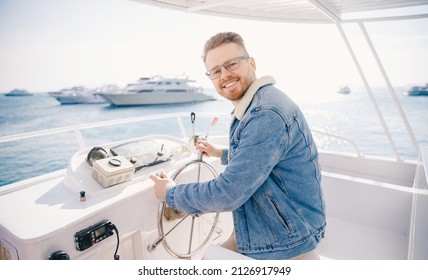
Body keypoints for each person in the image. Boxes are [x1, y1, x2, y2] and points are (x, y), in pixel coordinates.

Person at [150, 31, 326, 260]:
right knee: (209, 257)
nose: (224, 74)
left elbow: (227, 194)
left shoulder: (265, 114)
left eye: (231, 64)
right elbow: (261, 157)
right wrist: (220, 153)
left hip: (288, 238)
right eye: (215, 71)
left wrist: (170, 194)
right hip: (280, 224)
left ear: (251, 63)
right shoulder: (260, 101)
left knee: (207, 260)